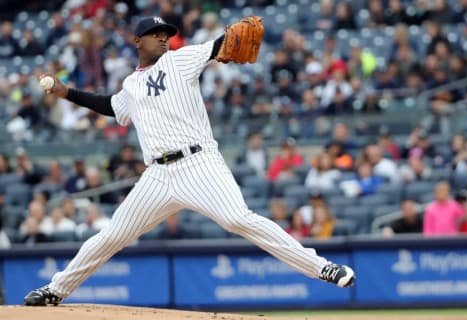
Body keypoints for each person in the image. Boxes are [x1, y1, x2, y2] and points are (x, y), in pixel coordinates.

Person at [24, 16, 354, 306]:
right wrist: (67, 93)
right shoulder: (131, 84)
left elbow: (216, 46)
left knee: (239, 218)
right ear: (138, 41)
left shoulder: (181, 60)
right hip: (157, 175)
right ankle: (57, 289)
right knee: (112, 236)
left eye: (166, 33)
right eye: (155, 33)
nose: (163, 37)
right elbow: (111, 106)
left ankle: (320, 267)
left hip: (199, 163)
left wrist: (227, 39)